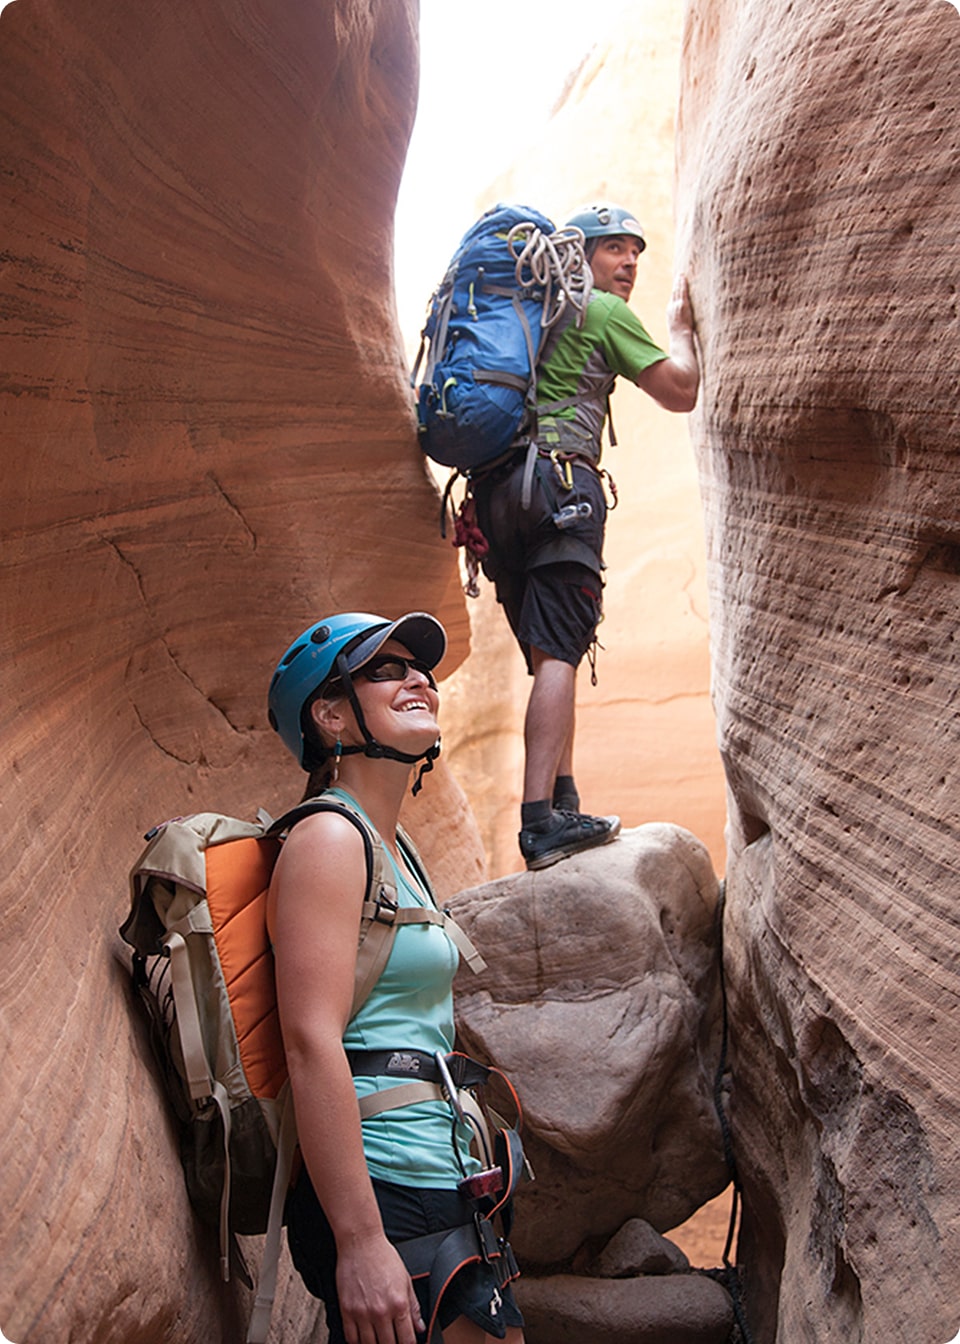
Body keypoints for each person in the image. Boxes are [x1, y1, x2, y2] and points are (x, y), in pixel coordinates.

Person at [266, 610, 525, 1344]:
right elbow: (310, 1042)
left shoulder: (394, 846)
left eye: (423, 670)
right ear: (329, 714)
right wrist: (359, 1242)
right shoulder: (327, 839)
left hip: (437, 1174)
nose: (418, 680)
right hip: (386, 1191)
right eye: (385, 668)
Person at [471, 202, 701, 872]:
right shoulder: (599, 311)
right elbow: (680, 390)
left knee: (550, 655)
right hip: (561, 491)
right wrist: (679, 329)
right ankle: (540, 821)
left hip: (498, 498)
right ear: (582, 257)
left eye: (636, 251)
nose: (629, 263)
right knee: (563, 654)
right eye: (614, 250)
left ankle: (564, 804)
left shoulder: (530, 317)